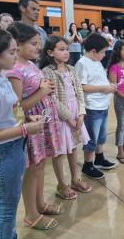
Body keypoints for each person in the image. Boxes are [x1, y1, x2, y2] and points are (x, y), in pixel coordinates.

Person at [0, 28, 44, 238]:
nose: (16, 55)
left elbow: (10, 110)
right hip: (2, 152)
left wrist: (26, 118)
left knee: (9, 204)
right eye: (11, 52)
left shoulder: (1, 76)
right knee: (6, 209)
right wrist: (23, 129)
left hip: (13, 146)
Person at [6, 22, 60, 230]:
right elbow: (17, 107)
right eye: (33, 44)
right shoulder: (15, 70)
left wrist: (46, 90)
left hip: (41, 122)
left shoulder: (29, 64)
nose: (38, 48)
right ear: (17, 45)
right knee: (31, 169)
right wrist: (42, 92)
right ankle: (30, 214)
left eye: (39, 44)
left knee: (40, 165)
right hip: (30, 124)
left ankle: (40, 204)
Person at [40, 36, 92, 200]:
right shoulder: (47, 71)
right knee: (59, 151)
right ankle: (62, 185)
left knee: (73, 147)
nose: (66, 52)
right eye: (61, 49)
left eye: (67, 49)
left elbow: (79, 92)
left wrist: (81, 112)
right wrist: (69, 118)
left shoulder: (71, 69)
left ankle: (75, 180)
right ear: (50, 52)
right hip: (60, 117)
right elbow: (52, 98)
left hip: (76, 112)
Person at [75, 33, 117, 179]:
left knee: (101, 135)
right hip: (92, 107)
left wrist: (108, 85)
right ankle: (88, 164)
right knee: (91, 138)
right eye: (103, 52)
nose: (104, 55)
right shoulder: (82, 64)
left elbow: (99, 80)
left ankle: (99, 158)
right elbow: (81, 86)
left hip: (102, 104)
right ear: (93, 51)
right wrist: (102, 88)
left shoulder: (96, 62)